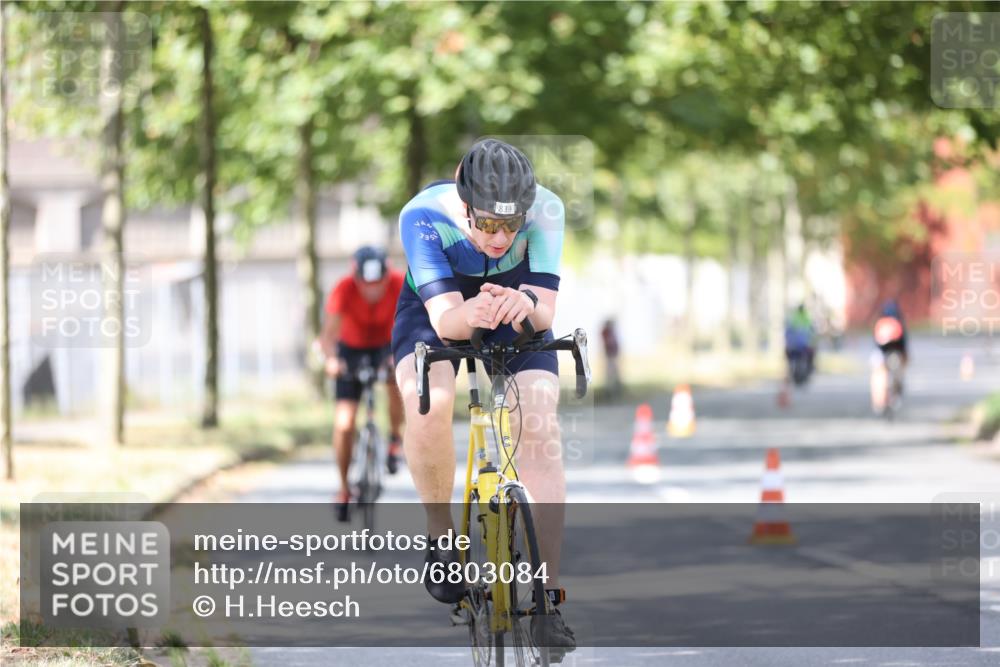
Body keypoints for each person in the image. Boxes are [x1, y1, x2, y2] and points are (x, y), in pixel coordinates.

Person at [391, 139, 575, 654]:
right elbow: (447, 319)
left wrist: (524, 303)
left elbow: (545, 309)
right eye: (487, 224)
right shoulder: (424, 214)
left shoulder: (548, 210)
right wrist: (470, 314)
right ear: (465, 205)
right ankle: (440, 536)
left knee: (539, 422)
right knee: (427, 400)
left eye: (510, 226)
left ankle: (549, 598)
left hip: (514, 307)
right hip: (439, 307)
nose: (499, 237)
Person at [318, 246, 405, 522]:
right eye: (365, 285)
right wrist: (332, 361)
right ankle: (344, 488)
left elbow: (409, 324)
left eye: (377, 284)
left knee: (396, 383)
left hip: (386, 346)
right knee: (344, 423)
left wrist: (398, 355)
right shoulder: (343, 288)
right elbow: (328, 337)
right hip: (351, 350)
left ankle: (394, 438)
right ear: (355, 278)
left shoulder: (400, 283)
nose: (372, 291)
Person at [784, 303, 816, 384]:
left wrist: (788, 342)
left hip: (796, 345)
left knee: (790, 356)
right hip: (803, 345)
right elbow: (812, 331)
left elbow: (788, 332)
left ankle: (791, 370)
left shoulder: (794, 318)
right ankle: (809, 369)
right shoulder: (806, 317)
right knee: (810, 356)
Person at [601, 318, 622, 398]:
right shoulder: (607, 333)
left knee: (613, 374)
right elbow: (610, 344)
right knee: (610, 374)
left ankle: (615, 391)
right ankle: (610, 392)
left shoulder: (610, 333)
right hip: (610, 356)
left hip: (612, 355)